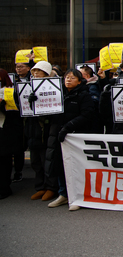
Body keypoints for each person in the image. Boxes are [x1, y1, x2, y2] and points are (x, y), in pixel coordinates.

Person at [47, 69, 101, 210]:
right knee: (60, 165)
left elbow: (87, 114)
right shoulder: (58, 94)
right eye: (66, 77)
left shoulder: (85, 95)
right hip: (59, 135)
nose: (68, 80)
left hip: (75, 136)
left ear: (79, 80)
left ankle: (78, 196)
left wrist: (68, 127)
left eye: (72, 78)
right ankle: (63, 194)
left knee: (76, 167)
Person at [24, 61, 58, 201]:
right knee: (35, 162)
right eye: (34, 71)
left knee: (47, 162)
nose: (36, 73)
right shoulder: (27, 85)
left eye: (39, 71)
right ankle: (40, 187)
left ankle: (51, 188)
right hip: (32, 129)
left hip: (46, 130)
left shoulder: (52, 87)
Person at [0, 70, 19, 199]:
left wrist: (2, 104)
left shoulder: (10, 92)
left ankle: (4, 188)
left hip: (4, 131)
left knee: (3, 162)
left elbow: (14, 113)